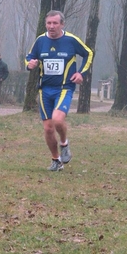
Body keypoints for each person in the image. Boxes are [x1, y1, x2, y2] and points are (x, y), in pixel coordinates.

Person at [25, 10, 93, 171]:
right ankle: (56, 160)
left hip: (64, 88)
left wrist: (80, 73)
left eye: (55, 23)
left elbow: (88, 53)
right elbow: (29, 56)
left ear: (62, 24)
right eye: (49, 23)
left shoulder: (70, 40)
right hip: (44, 90)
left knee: (57, 119)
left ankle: (64, 143)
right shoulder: (40, 40)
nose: (51, 26)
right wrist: (29, 64)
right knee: (48, 128)